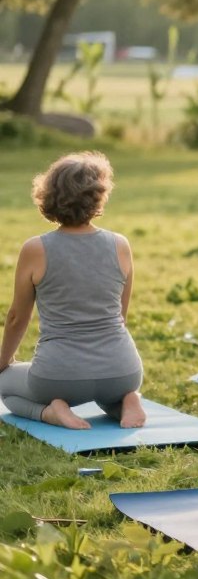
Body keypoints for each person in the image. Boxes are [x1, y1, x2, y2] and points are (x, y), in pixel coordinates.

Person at [0, 152, 146, 430]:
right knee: (104, 387)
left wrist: (3, 361)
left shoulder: (35, 249)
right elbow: (120, 315)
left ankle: (52, 412)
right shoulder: (120, 244)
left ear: (49, 195)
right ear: (98, 196)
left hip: (57, 377)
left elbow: (18, 317)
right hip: (124, 371)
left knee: (5, 387)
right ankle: (126, 401)